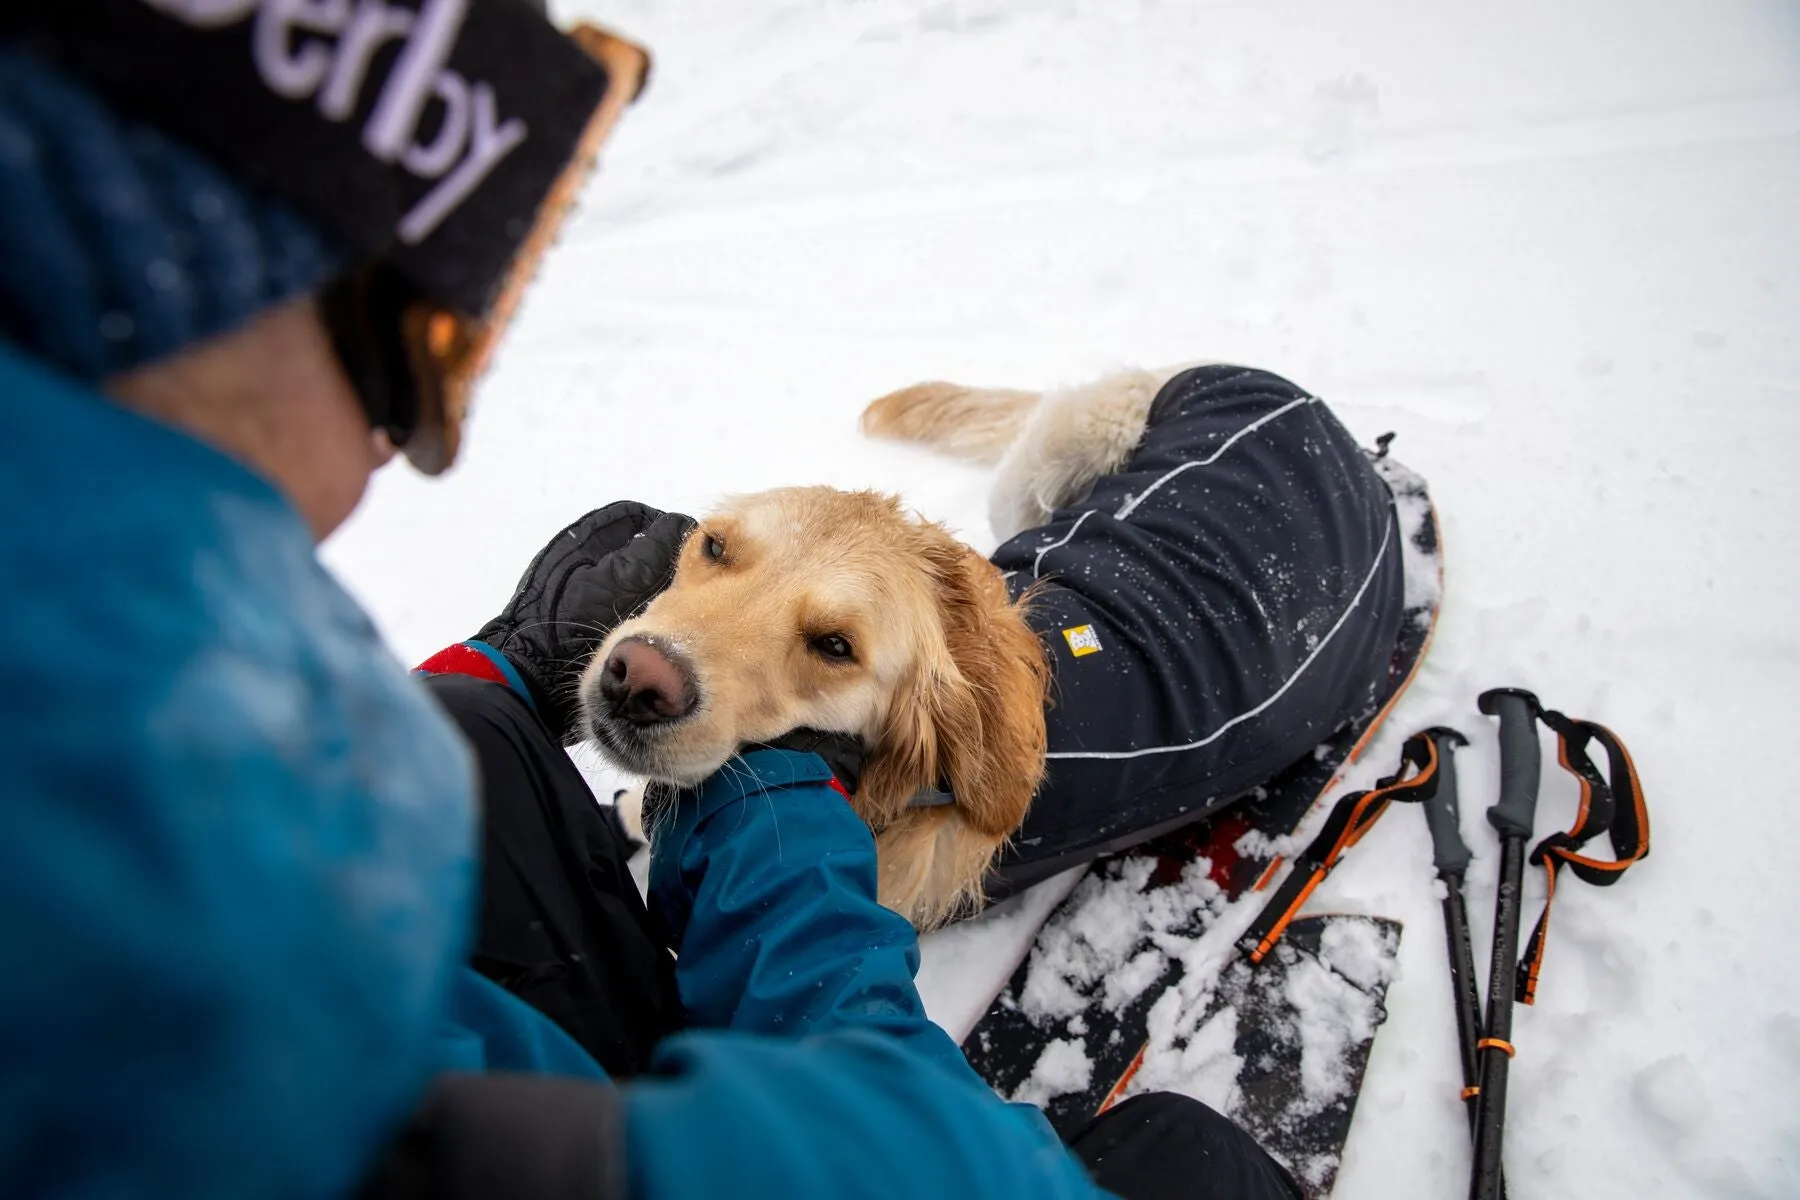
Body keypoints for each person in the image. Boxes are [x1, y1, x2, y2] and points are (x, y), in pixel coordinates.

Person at [0, 6, 1304, 1199]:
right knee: (1196, 1161)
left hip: (448, 1038)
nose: (408, 449)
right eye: (433, 354)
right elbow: (895, 1149)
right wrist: (768, 801)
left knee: (468, 732)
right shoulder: (163, 850)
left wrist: (496, 671)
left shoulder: (137, 675)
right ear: (270, 280)